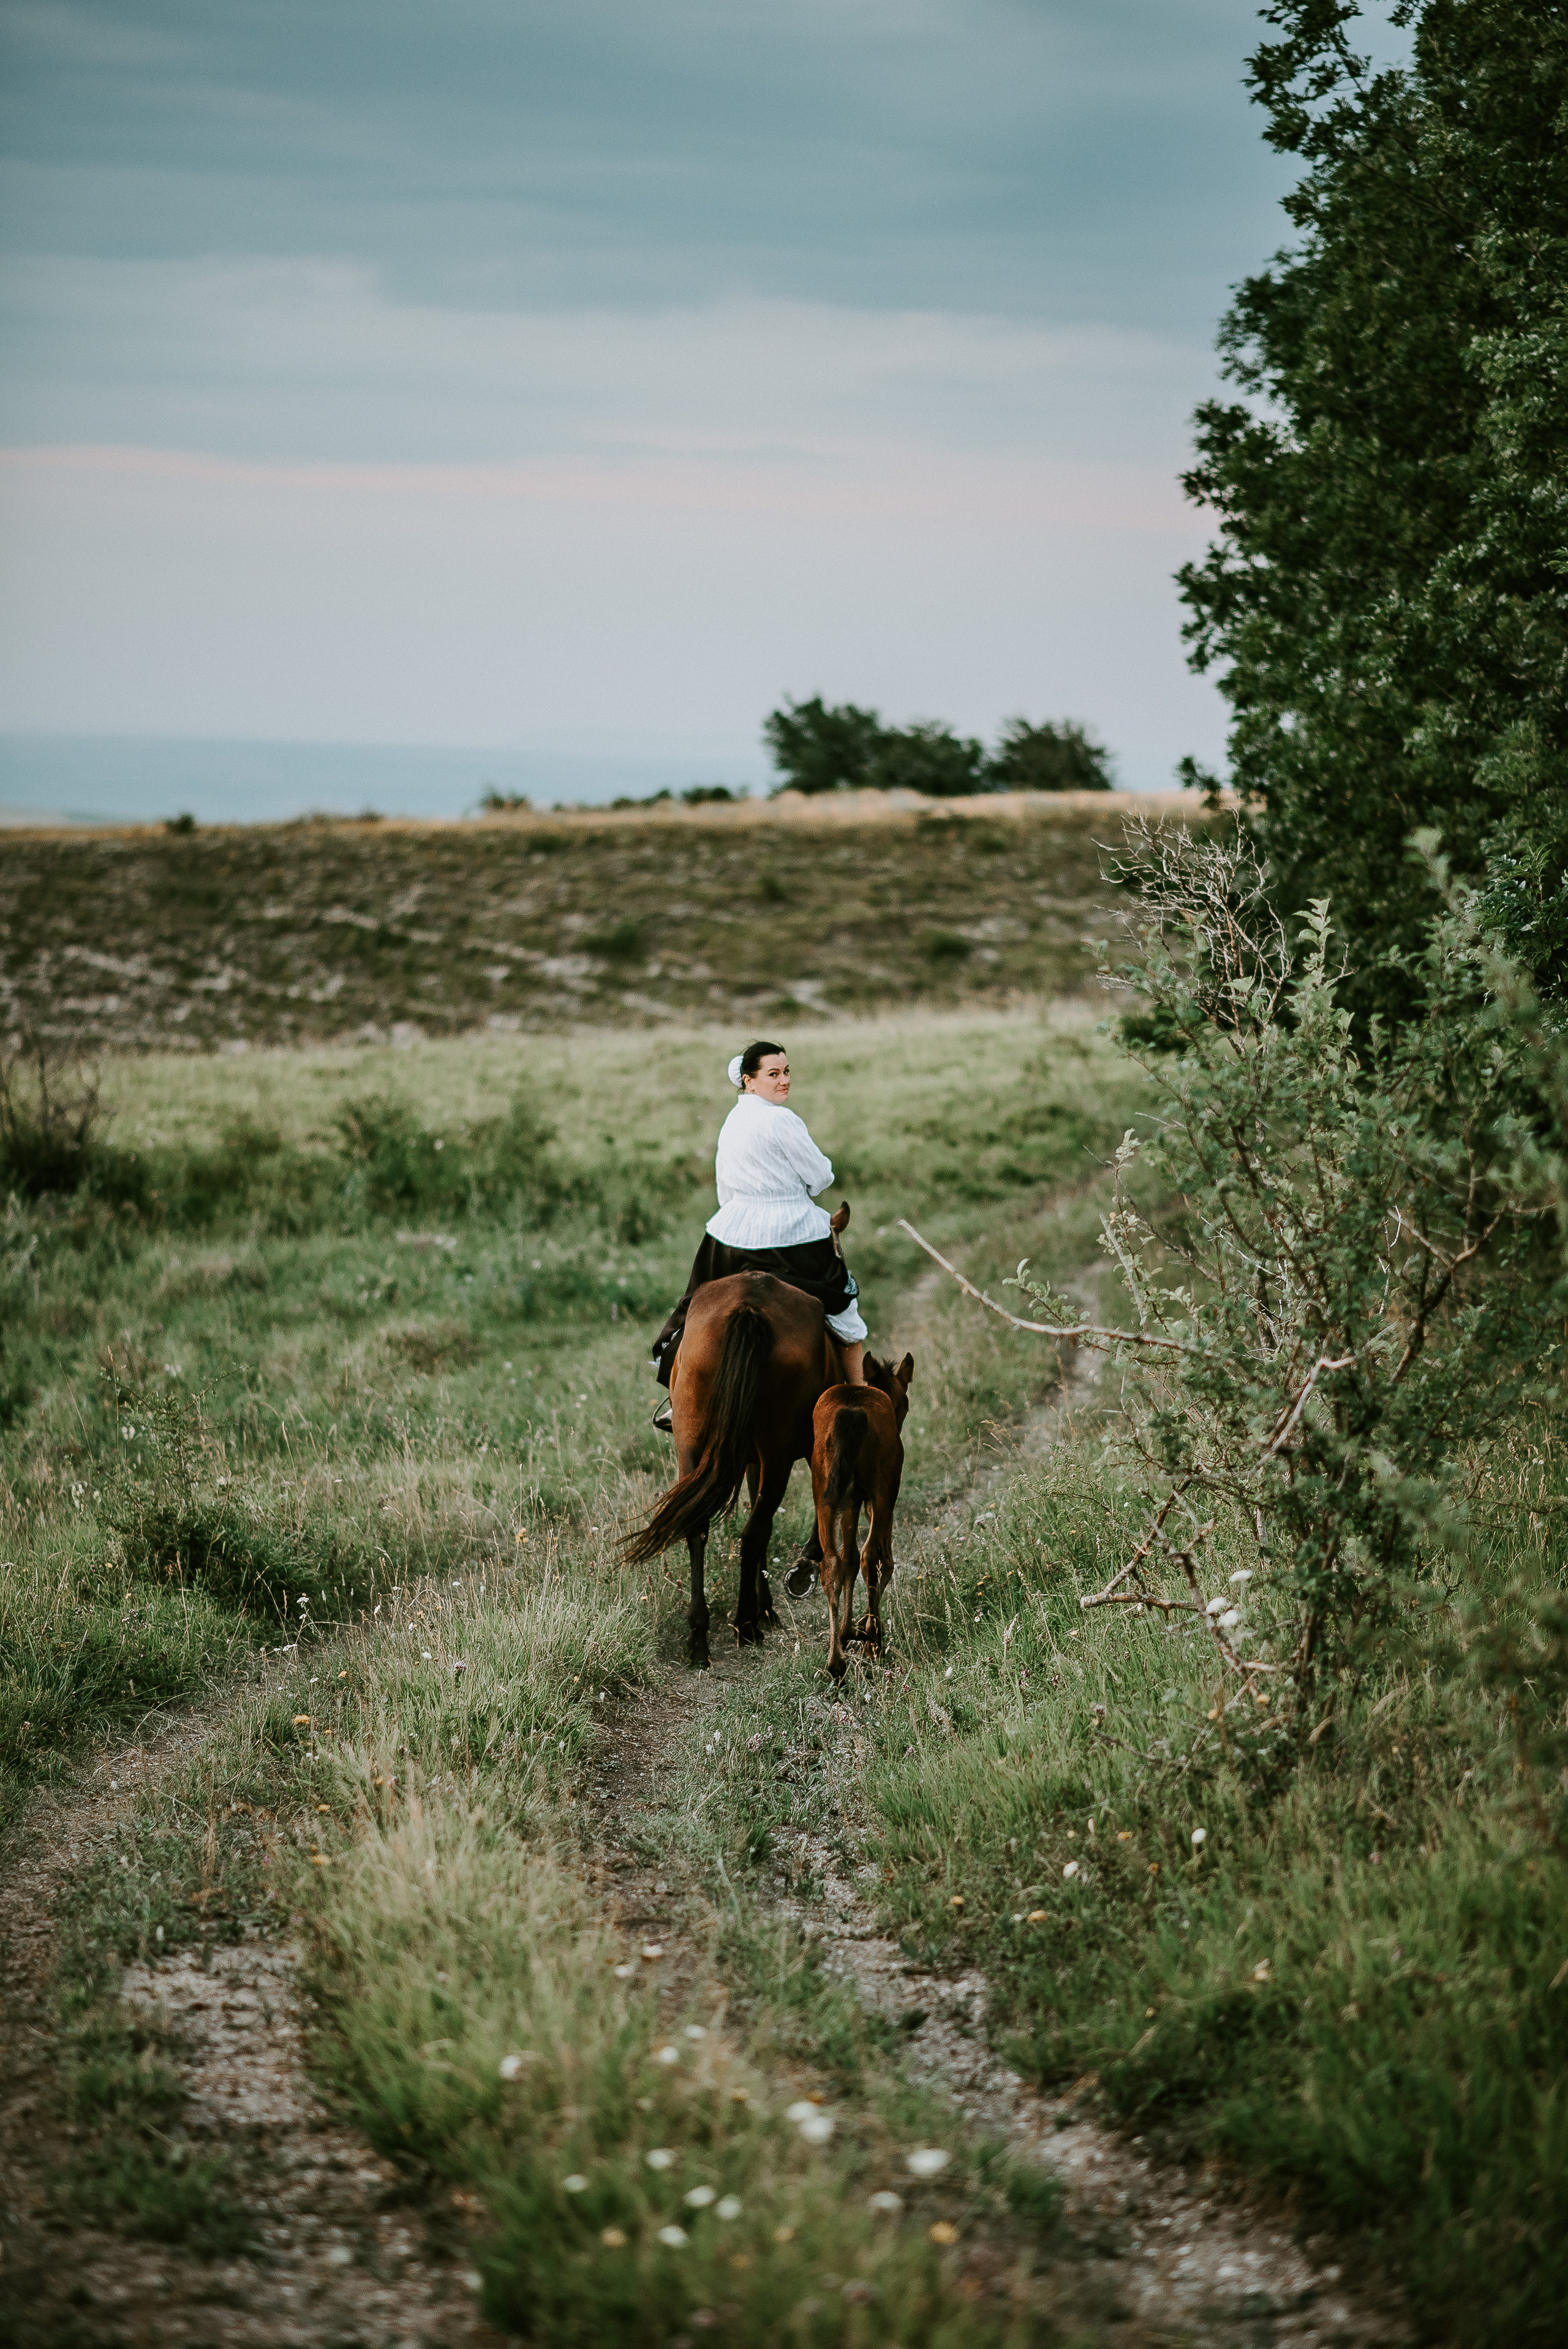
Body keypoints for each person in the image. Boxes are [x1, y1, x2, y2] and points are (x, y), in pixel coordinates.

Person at [650, 1040, 867, 1431]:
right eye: (773, 1074)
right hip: (794, 1235)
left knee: (694, 1312)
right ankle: (860, 1397)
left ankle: (678, 1399)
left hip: (731, 1237)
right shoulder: (782, 1120)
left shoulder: (733, 1120)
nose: (783, 1081)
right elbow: (820, 1179)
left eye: (786, 1072)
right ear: (749, 1081)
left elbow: (724, 1189)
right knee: (845, 1309)